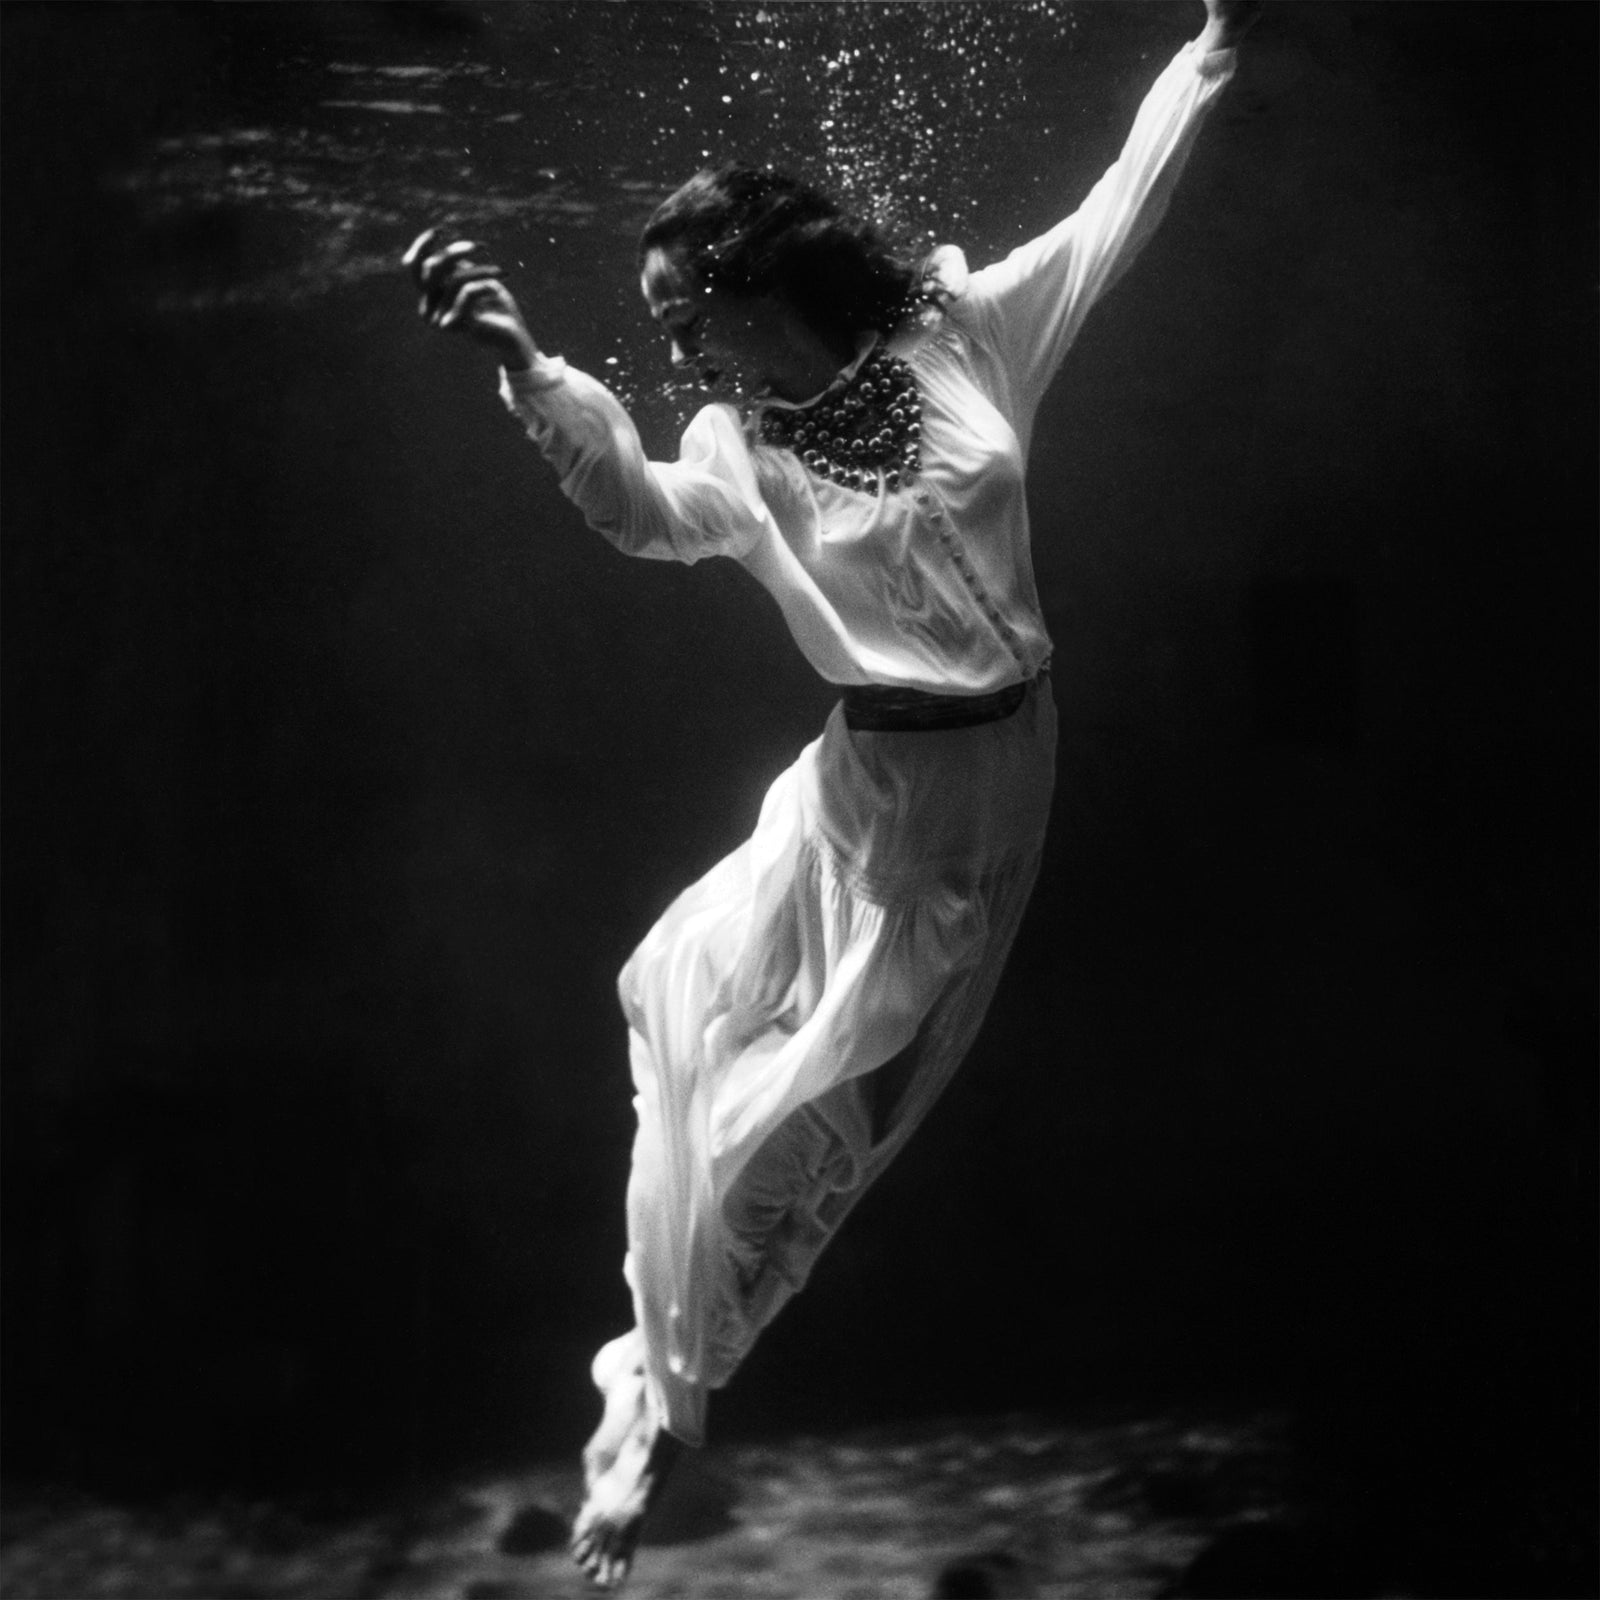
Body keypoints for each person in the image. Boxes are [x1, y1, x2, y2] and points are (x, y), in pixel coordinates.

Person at [405, 1, 1257, 1586]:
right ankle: (654, 1422)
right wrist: (529, 366)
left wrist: (1210, 47)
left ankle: (655, 1413)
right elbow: (648, 513)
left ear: (755, 279)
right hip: (855, 787)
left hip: (990, 785)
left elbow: (1114, 208)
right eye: (654, 326)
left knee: (806, 1124)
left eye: (683, 310)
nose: (671, 346)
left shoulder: (963, 330)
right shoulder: (738, 447)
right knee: (693, 1048)